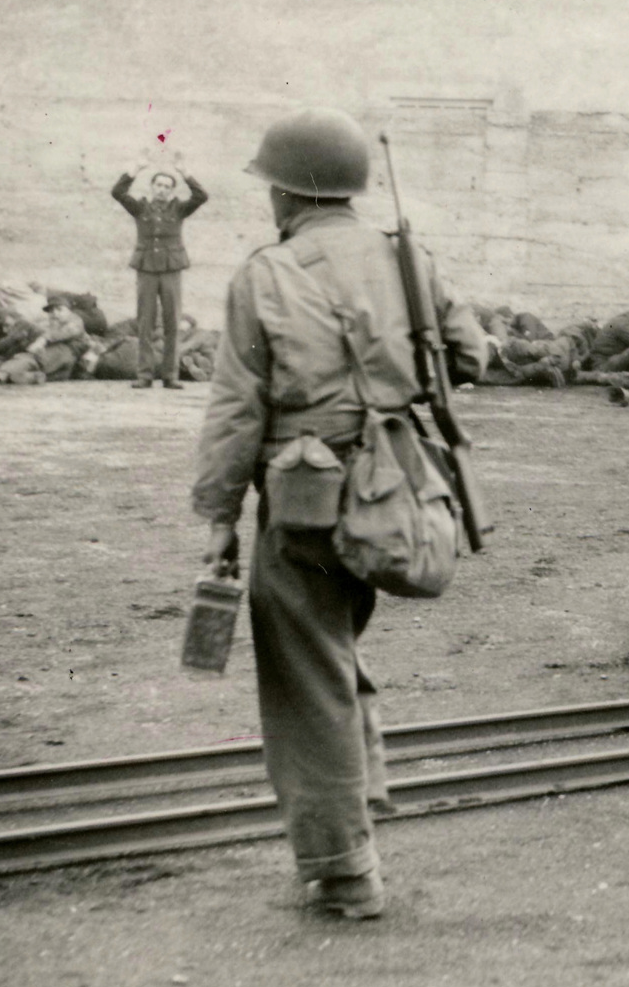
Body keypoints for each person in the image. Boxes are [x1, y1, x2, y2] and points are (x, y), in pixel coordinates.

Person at [190, 108, 489, 918]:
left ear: (286, 192)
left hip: (305, 500)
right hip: (397, 491)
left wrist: (218, 513)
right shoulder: (408, 257)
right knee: (330, 650)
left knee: (304, 674)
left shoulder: (265, 274)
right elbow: (471, 355)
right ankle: (361, 802)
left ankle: (343, 865)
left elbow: (236, 411)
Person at [113, 162, 211, 388]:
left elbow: (202, 196)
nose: (162, 189)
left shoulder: (179, 209)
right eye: (159, 185)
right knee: (145, 322)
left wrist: (186, 173)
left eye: (167, 186)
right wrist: (134, 170)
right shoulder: (139, 208)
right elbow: (117, 192)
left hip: (171, 270)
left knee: (172, 323)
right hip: (146, 269)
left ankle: (170, 376)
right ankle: (144, 375)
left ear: (172, 191)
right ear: (152, 187)